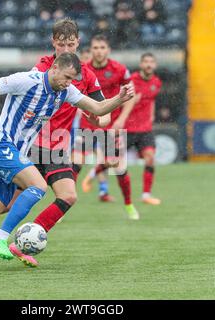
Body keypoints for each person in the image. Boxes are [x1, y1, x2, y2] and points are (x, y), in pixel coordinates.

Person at [0, 52, 134, 271]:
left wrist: (119, 98)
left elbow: (97, 108)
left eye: (72, 80)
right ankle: (0, 240)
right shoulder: (27, 81)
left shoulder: (66, 91)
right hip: (0, 145)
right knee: (38, 185)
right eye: (67, 77)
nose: (69, 83)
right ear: (54, 69)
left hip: (15, 152)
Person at [0, 18, 110, 266]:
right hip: (32, 145)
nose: (66, 49)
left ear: (78, 43)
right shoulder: (44, 68)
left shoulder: (85, 74)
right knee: (5, 205)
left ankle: (21, 243)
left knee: (68, 196)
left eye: (71, 44)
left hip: (57, 147)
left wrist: (99, 119)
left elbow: (103, 113)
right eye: (61, 44)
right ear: (53, 43)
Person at [77, 35, 140, 222]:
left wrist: (121, 119)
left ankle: (129, 205)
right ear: (91, 49)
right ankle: (62, 205)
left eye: (102, 47)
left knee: (118, 167)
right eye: (95, 47)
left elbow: (131, 94)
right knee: (73, 165)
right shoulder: (83, 69)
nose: (98, 50)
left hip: (110, 126)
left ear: (108, 49)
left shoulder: (119, 70)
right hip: (87, 124)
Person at [124, 52, 162, 205]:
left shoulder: (156, 82)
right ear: (141, 64)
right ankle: (92, 176)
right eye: (145, 61)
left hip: (145, 129)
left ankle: (146, 195)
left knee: (150, 158)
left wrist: (151, 115)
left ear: (155, 65)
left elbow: (151, 100)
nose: (148, 64)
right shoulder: (131, 81)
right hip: (128, 128)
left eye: (151, 62)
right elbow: (120, 101)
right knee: (111, 161)